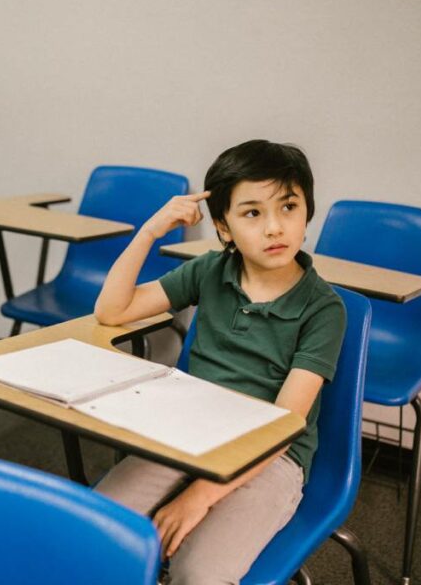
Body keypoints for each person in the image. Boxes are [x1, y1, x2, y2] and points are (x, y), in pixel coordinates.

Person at [93, 140, 346, 584]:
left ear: (307, 213)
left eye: (288, 207)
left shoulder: (323, 309)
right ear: (223, 227)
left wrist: (199, 497)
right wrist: (150, 232)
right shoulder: (210, 271)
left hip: (273, 456)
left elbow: (283, 425)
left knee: (200, 571)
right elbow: (112, 311)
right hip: (193, 430)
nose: (274, 227)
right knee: (100, 529)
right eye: (252, 213)